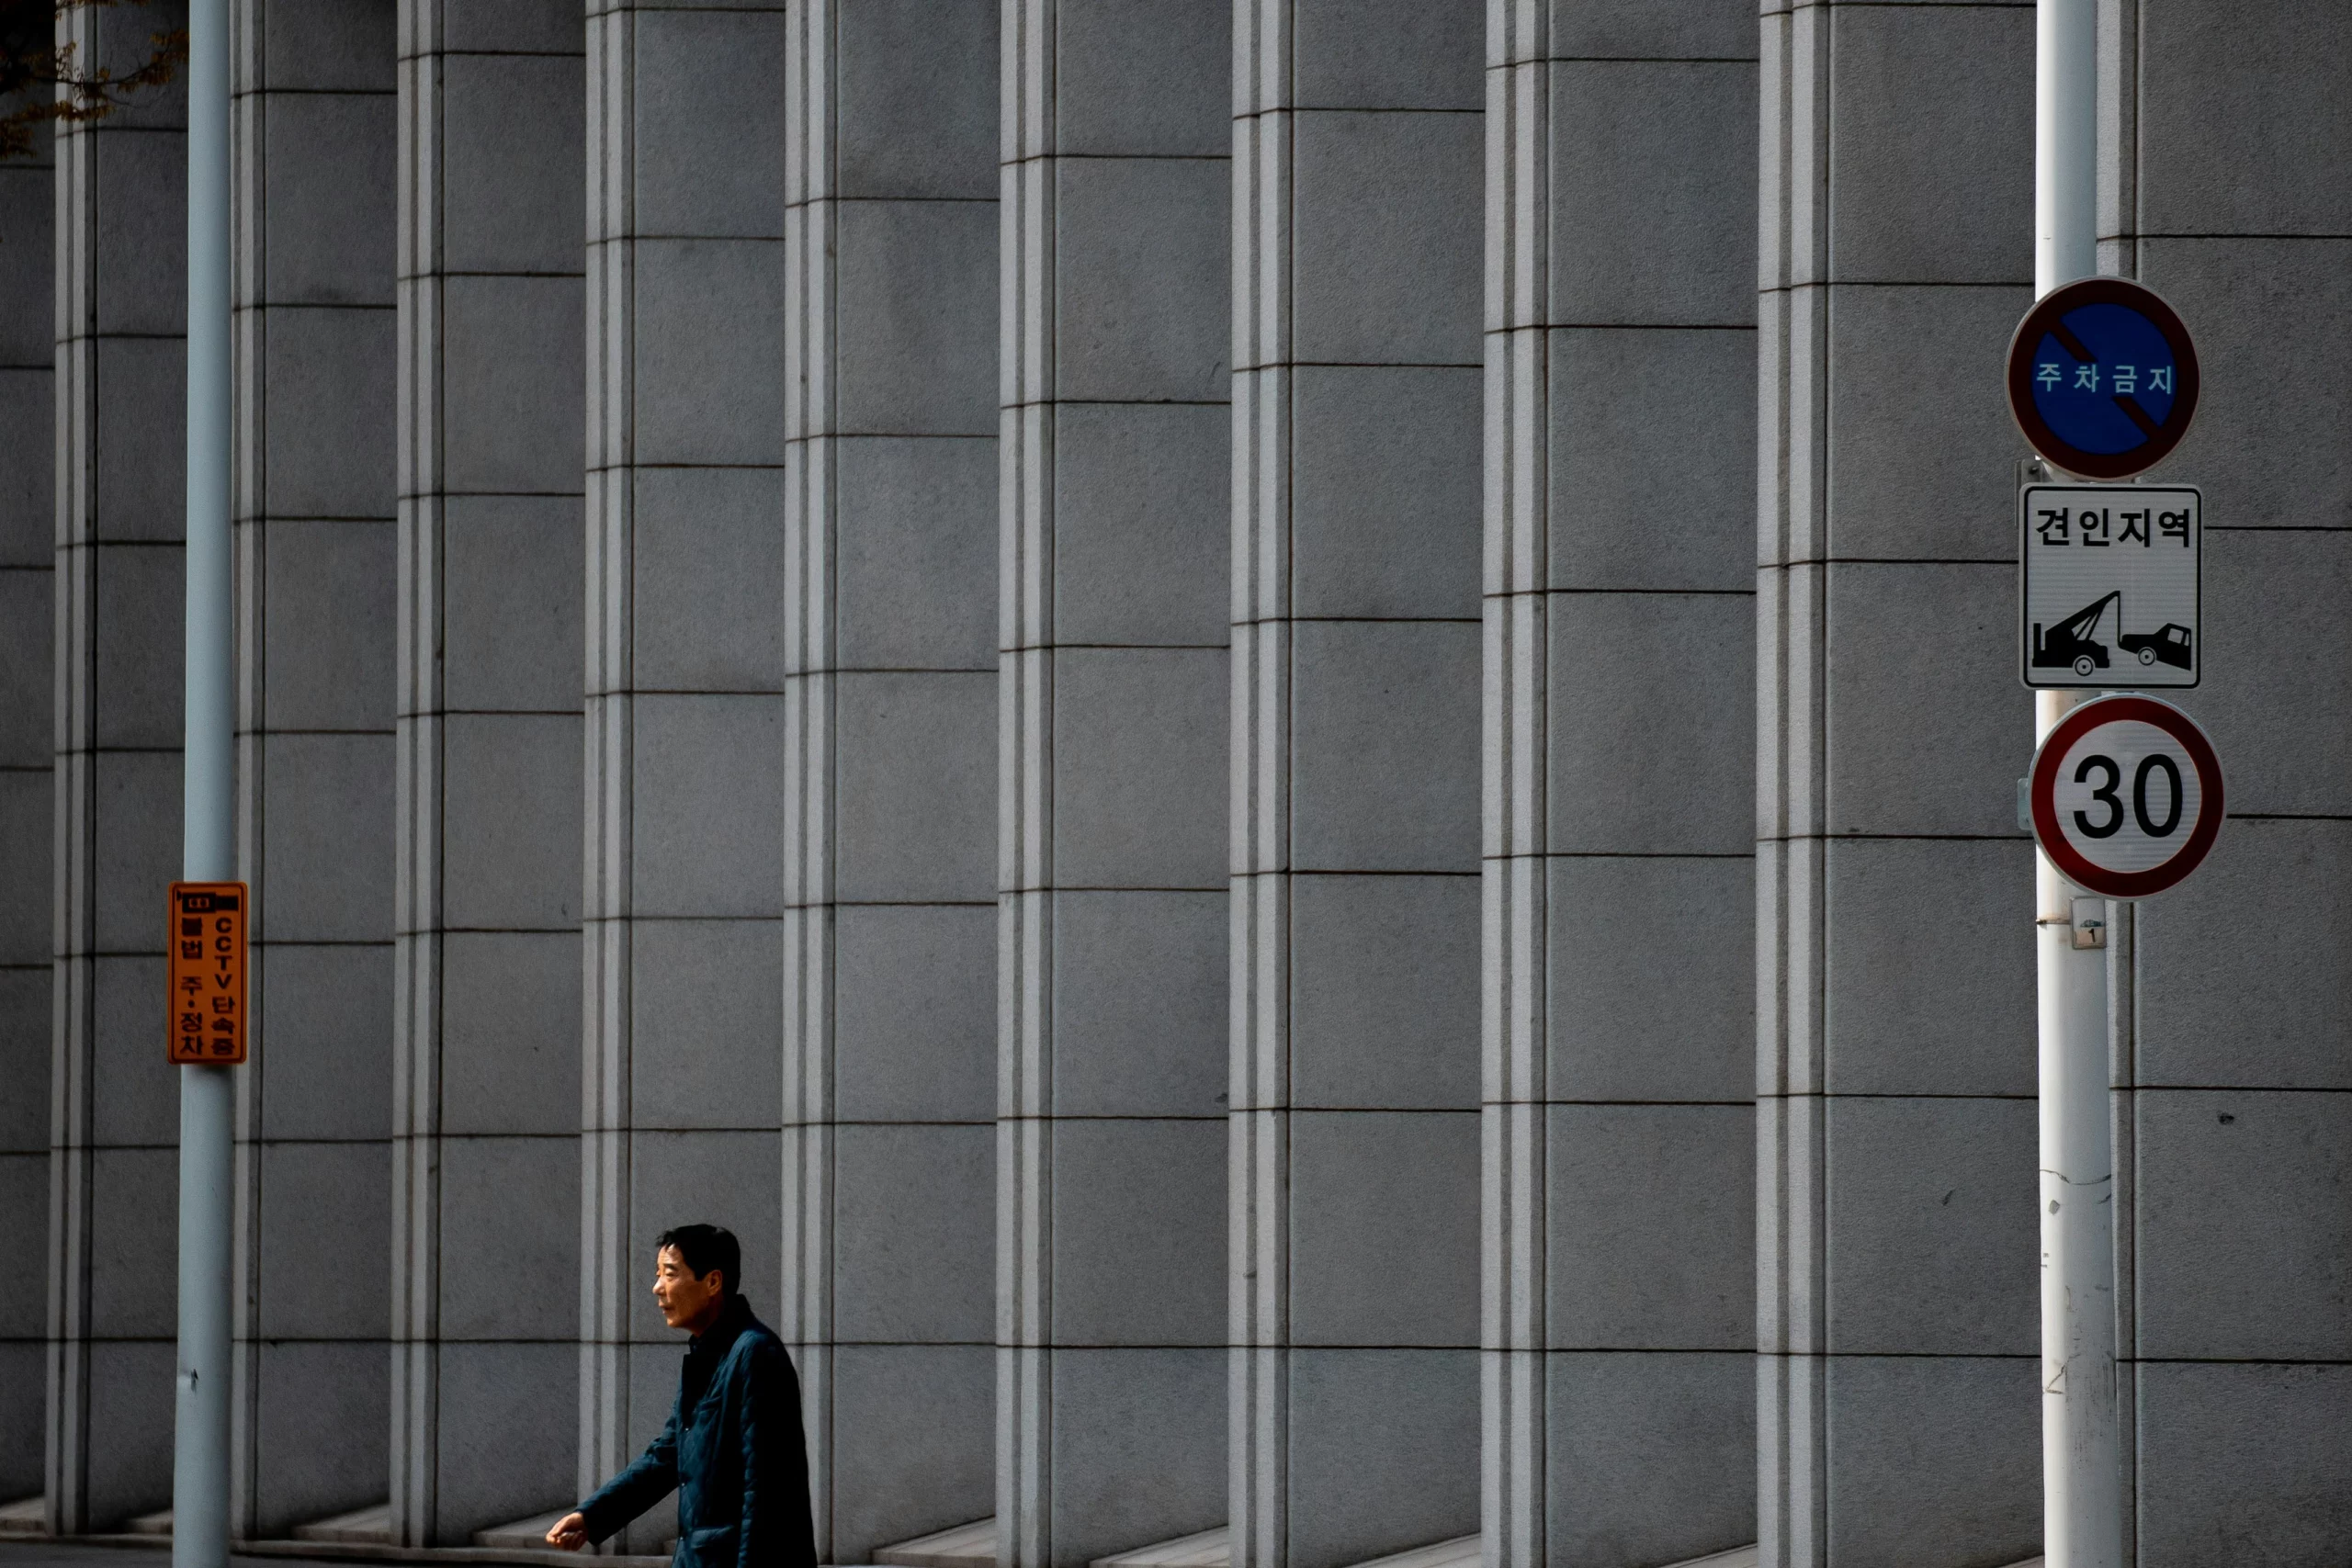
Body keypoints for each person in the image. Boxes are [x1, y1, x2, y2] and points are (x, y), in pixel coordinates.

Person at [545, 1225, 816, 1568]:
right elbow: (666, 1456)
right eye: (658, 1274)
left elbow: (764, 1492)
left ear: (713, 1282)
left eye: (670, 1274)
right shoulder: (708, 1355)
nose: (657, 1288)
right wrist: (591, 1516)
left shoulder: (756, 1354)